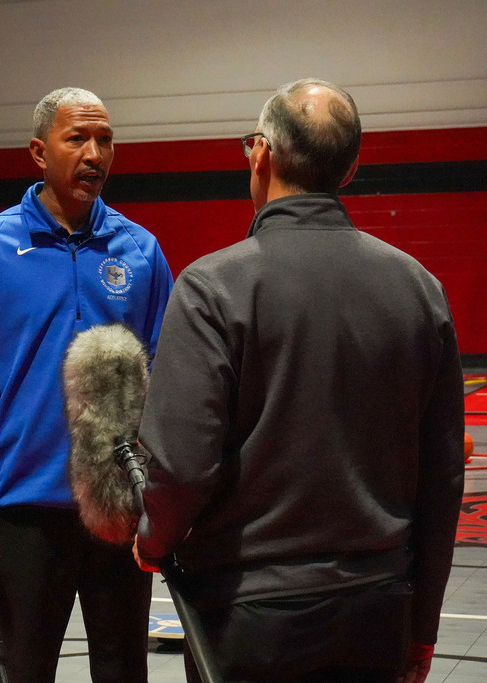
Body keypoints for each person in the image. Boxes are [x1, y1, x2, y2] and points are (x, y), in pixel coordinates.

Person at [134, 78, 465, 682]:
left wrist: (153, 540)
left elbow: (182, 466)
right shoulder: (420, 289)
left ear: (261, 153)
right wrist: (422, 627)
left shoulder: (212, 287)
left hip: (249, 614)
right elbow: (442, 478)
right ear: (351, 168)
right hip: (379, 609)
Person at [0, 87, 173, 682]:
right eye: (78, 139)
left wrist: (159, 496)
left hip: (118, 507)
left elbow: (166, 381)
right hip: (21, 507)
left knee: (123, 670)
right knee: (22, 670)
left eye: (105, 140)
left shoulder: (141, 251)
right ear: (39, 152)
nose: (95, 154)